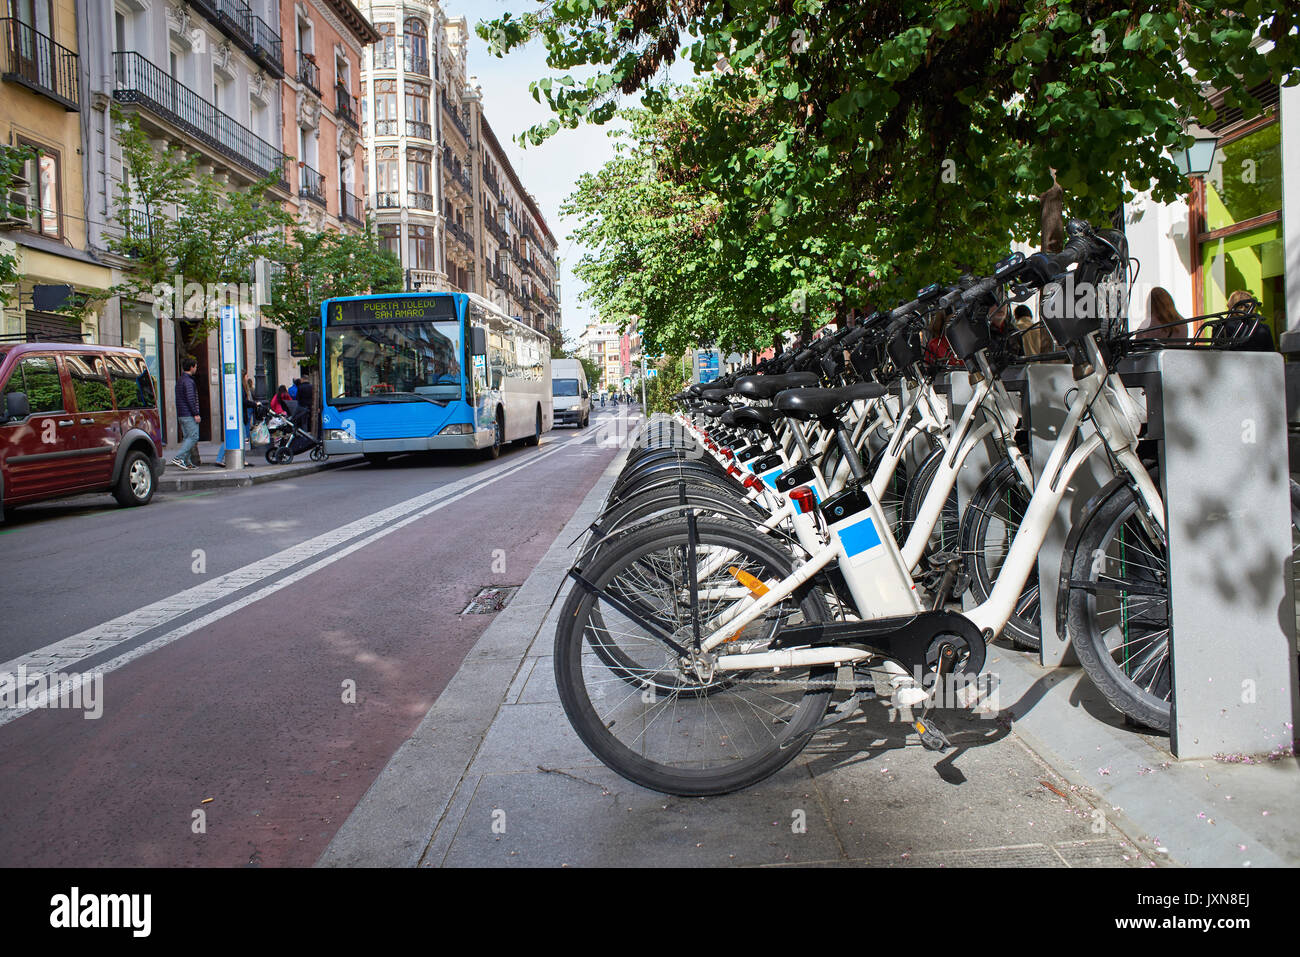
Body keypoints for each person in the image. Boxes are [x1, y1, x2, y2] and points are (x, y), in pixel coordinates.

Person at [171, 356, 201, 470]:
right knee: (193, 437)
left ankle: (187, 462)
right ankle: (179, 457)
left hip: (181, 414)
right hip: (188, 414)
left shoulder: (180, 380)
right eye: (196, 366)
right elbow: (190, 399)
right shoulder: (188, 381)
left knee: (187, 437)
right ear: (192, 367)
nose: (196, 368)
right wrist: (196, 413)